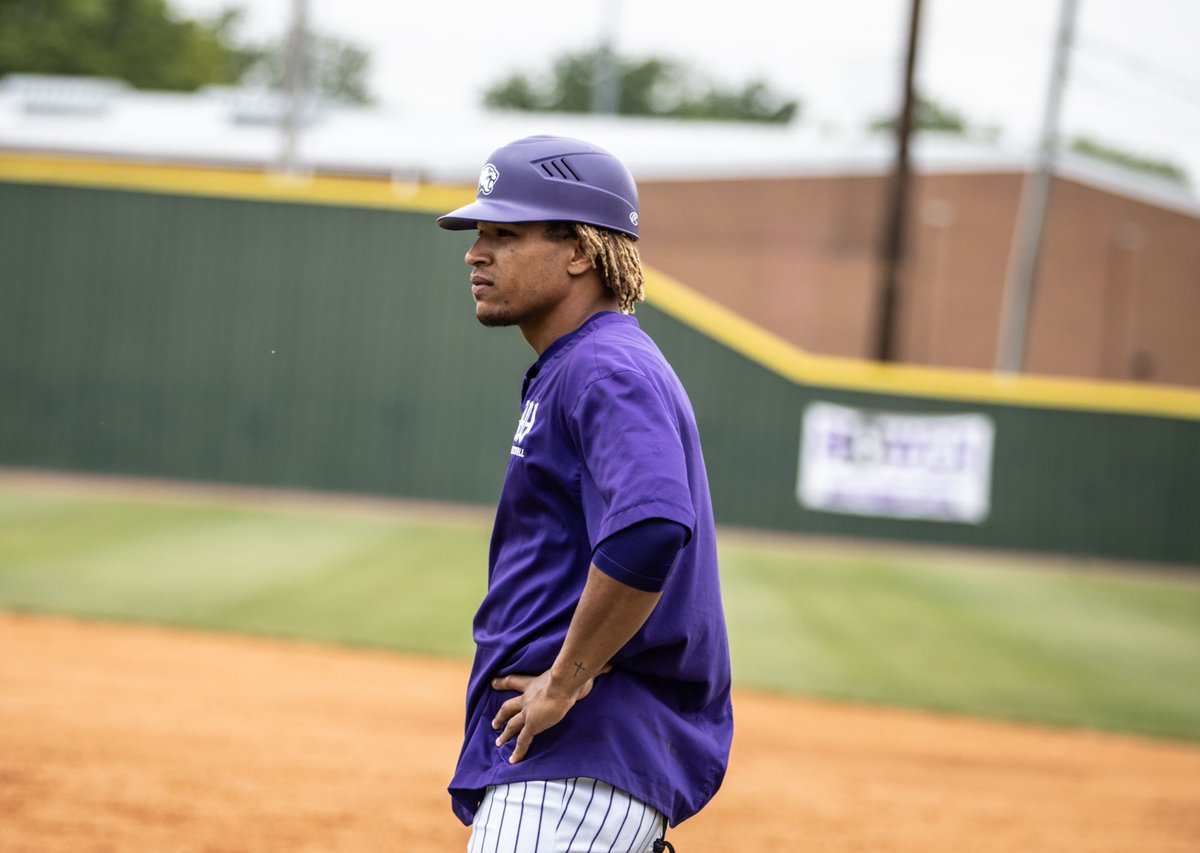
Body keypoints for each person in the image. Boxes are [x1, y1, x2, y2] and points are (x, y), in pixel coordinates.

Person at [436, 135, 733, 853]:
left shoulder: (604, 367)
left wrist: (565, 680)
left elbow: (654, 525)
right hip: (581, 768)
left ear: (579, 250)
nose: (476, 253)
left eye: (505, 234)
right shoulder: (581, 363)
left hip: (576, 764)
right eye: (480, 234)